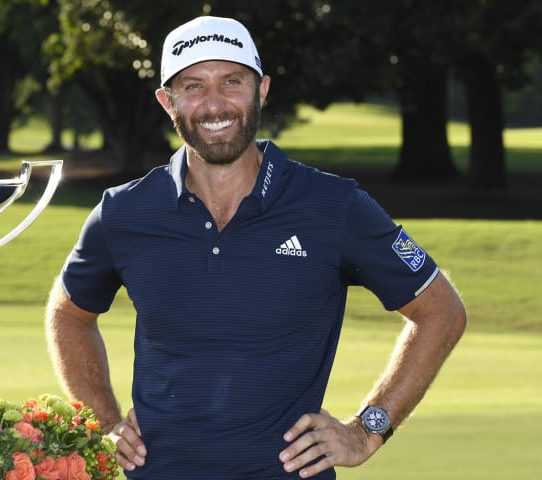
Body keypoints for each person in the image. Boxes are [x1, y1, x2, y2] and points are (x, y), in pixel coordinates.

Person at [44, 15, 466, 480]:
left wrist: (368, 429)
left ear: (261, 90)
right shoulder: (123, 212)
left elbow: (440, 309)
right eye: (193, 86)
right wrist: (105, 422)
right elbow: (68, 315)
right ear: (167, 101)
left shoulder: (334, 206)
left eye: (232, 81)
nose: (214, 103)